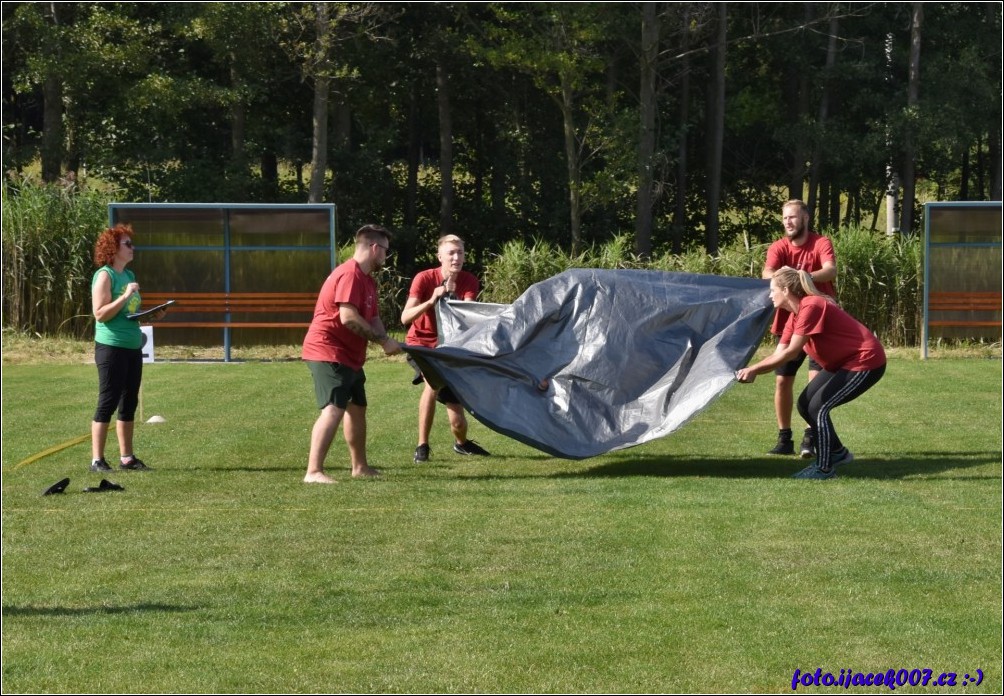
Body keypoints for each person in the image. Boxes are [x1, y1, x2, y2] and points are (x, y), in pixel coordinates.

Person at [736, 267, 886, 479]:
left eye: (772, 290)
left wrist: (754, 370)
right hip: (841, 363)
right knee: (805, 405)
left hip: (865, 361)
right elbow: (780, 352)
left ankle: (824, 469)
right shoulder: (793, 316)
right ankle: (837, 453)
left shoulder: (811, 306)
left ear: (786, 290)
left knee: (818, 407)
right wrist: (750, 369)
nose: (770, 295)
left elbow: (791, 352)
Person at [302, 224, 403, 484]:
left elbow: (374, 318)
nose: (386, 257)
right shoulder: (350, 275)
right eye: (385, 251)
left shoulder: (367, 280)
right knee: (334, 408)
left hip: (350, 355)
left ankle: (360, 467)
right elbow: (348, 318)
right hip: (329, 350)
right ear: (373, 248)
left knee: (357, 408)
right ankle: (313, 472)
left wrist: (389, 341)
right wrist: (382, 341)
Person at [401, 234, 491, 463]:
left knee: (458, 423)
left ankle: (461, 444)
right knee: (432, 382)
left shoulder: (469, 280)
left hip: (450, 347)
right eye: (451, 253)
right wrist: (432, 300)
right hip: (421, 344)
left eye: (460, 252)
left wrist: (451, 294)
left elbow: (466, 314)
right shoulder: (423, 278)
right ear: (439, 256)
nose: (456, 257)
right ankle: (422, 446)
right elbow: (405, 318)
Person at [761, 199, 837, 458]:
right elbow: (767, 273)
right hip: (788, 324)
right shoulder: (778, 247)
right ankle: (784, 439)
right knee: (782, 381)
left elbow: (830, 270)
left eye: (792, 217)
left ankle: (811, 437)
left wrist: (798, 277)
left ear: (805, 218)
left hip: (818, 327)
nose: (788, 223)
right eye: (784, 219)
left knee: (814, 385)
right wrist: (787, 276)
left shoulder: (820, 243)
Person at [90, 224, 167, 472]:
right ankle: (97, 460)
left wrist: (153, 315)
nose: (133, 248)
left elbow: (129, 314)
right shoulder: (105, 275)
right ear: (113, 248)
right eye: (127, 244)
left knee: (129, 401)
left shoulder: (129, 276)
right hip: (111, 347)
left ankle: (127, 458)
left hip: (132, 345)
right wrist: (124, 296)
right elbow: (100, 314)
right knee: (108, 401)